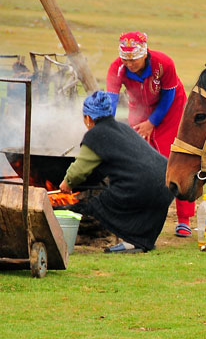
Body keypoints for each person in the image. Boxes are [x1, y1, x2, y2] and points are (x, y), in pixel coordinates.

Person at [58, 91, 174, 253]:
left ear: (88, 118)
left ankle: (133, 241)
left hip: (142, 185)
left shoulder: (95, 135)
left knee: (96, 205)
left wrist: (67, 183)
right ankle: (139, 241)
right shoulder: (123, 128)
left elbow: (79, 170)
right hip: (167, 181)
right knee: (128, 198)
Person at [106, 31, 194, 237]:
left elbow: (168, 95)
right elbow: (111, 98)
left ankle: (184, 219)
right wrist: (107, 126)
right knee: (139, 160)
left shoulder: (164, 64)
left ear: (144, 54)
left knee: (174, 160)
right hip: (140, 109)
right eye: (125, 59)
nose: (129, 63)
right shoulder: (117, 68)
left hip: (171, 109)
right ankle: (140, 213)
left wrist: (152, 123)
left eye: (133, 59)